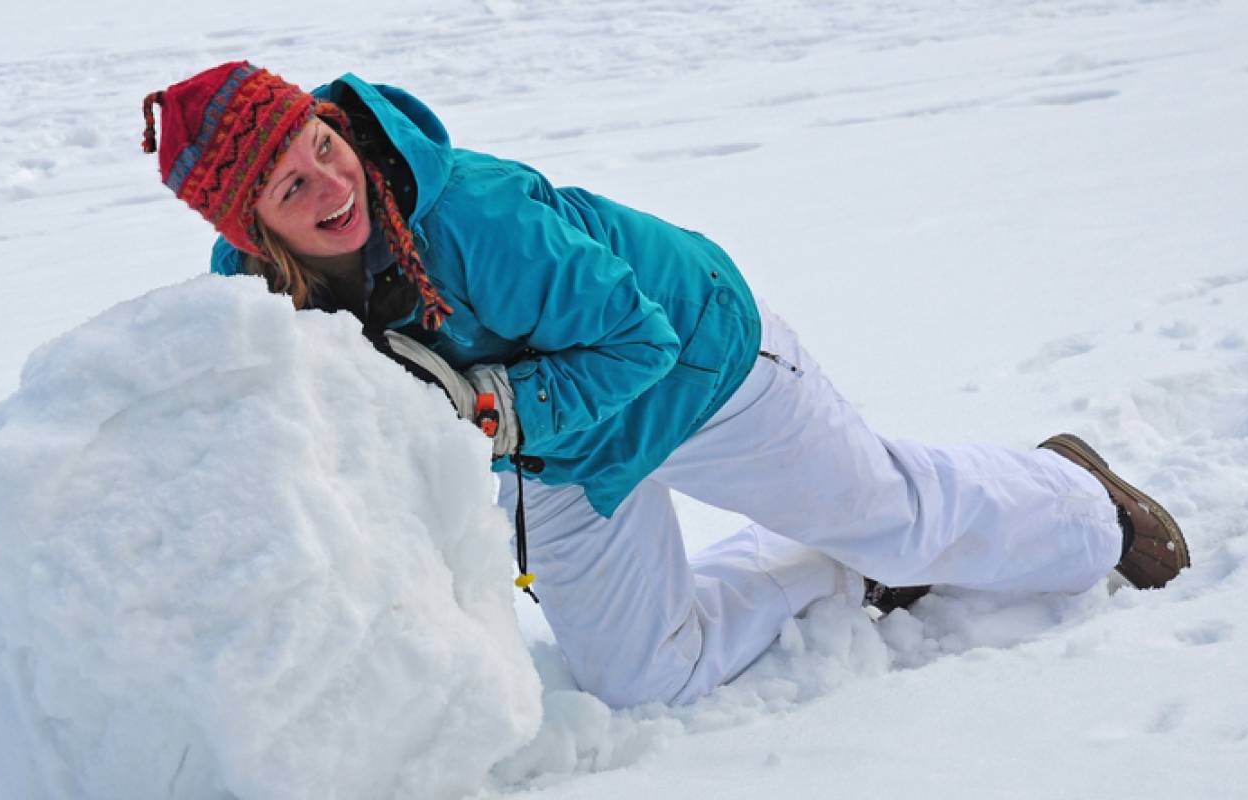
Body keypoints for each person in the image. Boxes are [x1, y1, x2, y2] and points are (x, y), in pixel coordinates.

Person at [138, 62, 1190, 709]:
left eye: (323, 144)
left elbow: (633, 337)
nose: (331, 183)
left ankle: (1090, 506)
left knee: (893, 518)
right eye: (290, 184)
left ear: (332, 121)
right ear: (253, 232)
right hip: (563, 444)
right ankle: (834, 577)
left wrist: (500, 409)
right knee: (640, 676)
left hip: (690, 362)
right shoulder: (264, 301)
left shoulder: (475, 218)